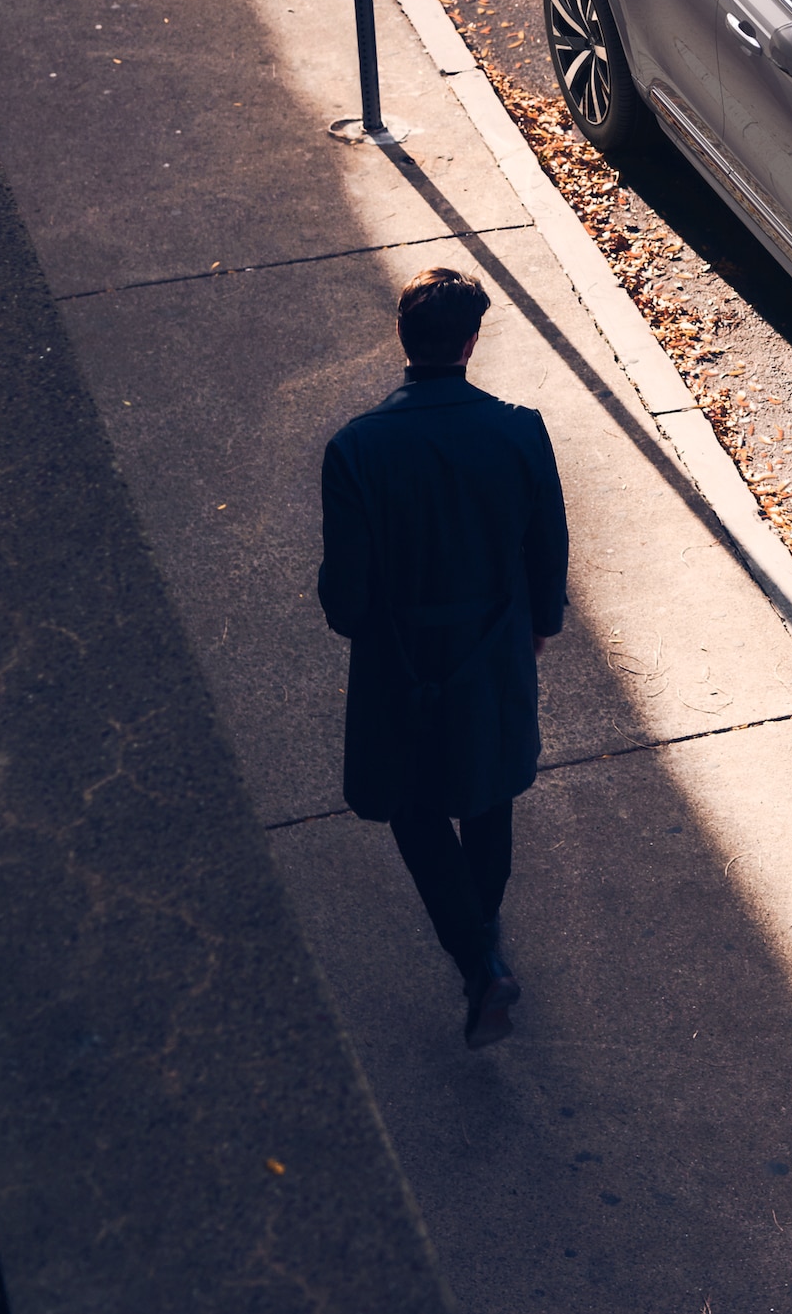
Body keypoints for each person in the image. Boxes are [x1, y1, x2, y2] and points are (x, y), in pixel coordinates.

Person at [316, 266, 569, 1048]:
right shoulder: (520, 430)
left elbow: (345, 599)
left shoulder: (356, 448)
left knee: (413, 803)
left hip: (402, 660)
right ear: (470, 342)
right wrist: (538, 626)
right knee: (488, 795)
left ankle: (477, 954)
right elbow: (548, 549)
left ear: (404, 338)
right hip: (491, 652)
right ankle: (482, 930)